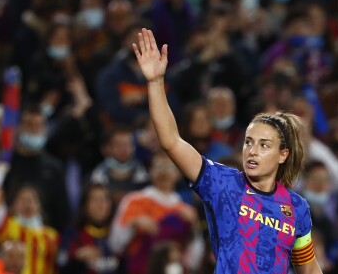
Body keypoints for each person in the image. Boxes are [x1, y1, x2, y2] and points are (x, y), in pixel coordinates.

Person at [133, 28, 322, 273]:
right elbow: (171, 141)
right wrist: (156, 82)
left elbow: (308, 269)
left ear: (283, 154)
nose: (252, 151)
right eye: (248, 142)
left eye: (264, 145)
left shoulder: (297, 208)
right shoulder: (221, 182)